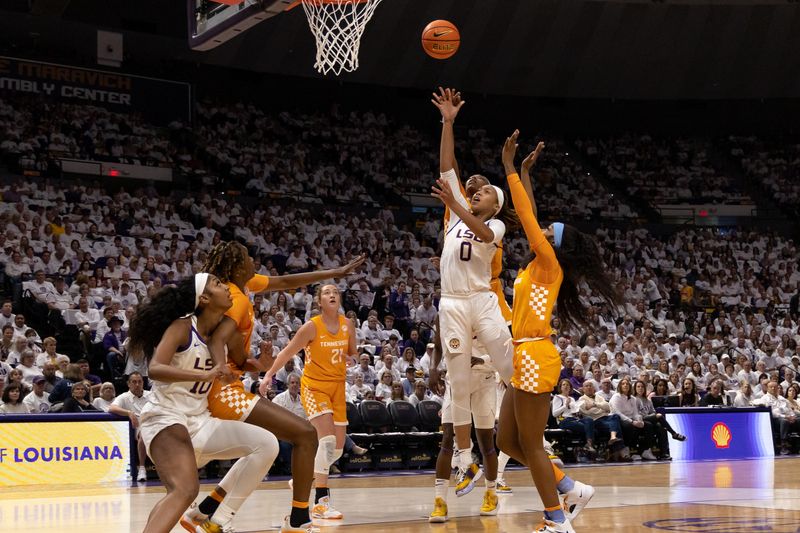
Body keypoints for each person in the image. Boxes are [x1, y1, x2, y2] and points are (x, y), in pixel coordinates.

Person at [185, 241, 363, 533]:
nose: (254, 261)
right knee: (305, 435)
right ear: (237, 267)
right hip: (222, 389)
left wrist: (335, 272)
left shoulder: (246, 285)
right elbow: (217, 340)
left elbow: (286, 281)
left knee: (262, 446)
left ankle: (205, 512)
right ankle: (298, 518)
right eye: (247, 258)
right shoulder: (236, 298)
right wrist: (223, 367)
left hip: (231, 382)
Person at [495, 130, 620, 533]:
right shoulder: (536, 265)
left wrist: (510, 170)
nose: (540, 229)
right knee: (507, 442)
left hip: (534, 356)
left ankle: (555, 519)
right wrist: (527, 175)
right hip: (523, 355)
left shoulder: (550, 265)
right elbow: (531, 214)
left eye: (548, 230)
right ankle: (569, 487)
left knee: (530, 445)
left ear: (553, 242)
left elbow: (528, 218)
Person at [131, 274, 279, 533]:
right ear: (204, 298)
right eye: (217, 284)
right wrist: (202, 375)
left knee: (266, 444)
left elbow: (246, 364)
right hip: (166, 418)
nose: (225, 286)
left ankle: (218, 518)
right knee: (185, 490)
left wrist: (263, 364)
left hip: (200, 421)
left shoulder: (224, 330)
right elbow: (155, 368)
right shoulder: (182, 327)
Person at [429, 87, 516, 497]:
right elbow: (448, 166)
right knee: (457, 380)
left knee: (509, 364)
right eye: (473, 190)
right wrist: (448, 122)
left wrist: (457, 203)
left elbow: (479, 230)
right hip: (451, 303)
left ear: (494, 205)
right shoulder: (456, 208)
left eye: (483, 193)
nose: (474, 192)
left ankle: (536, 437)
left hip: (481, 298)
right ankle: (466, 460)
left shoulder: (494, 226)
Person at [261, 284, 356, 521]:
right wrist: (268, 375)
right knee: (327, 441)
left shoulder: (348, 325)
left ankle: (305, 477)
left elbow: (353, 353)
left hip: (338, 387)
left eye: (335, 291)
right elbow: (287, 352)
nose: (332, 294)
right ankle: (321, 503)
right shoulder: (312, 326)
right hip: (314, 387)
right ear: (319, 301)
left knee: (336, 449)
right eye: (326, 292)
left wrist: (351, 359)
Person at [108, 372, 152, 482]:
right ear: (128, 384)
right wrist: (129, 412)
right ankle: (142, 468)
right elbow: (112, 408)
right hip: (139, 427)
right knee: (144, 433)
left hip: (155, 424)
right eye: (134, 382)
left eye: (139, 382)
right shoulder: (124, 397)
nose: (137, 384)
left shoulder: (151, 395)